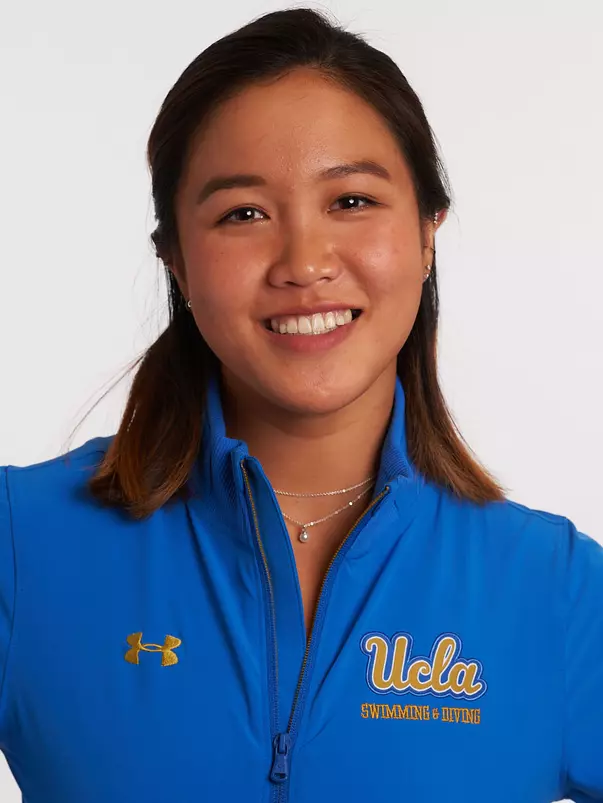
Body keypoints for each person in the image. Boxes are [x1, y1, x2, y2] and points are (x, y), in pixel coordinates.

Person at [0, 7, 601, 803]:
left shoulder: (554, 591)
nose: (305, 262)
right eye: (242, 213)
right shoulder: (22, 541)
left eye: (350, 201)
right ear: (175, 258)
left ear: (427, 232)